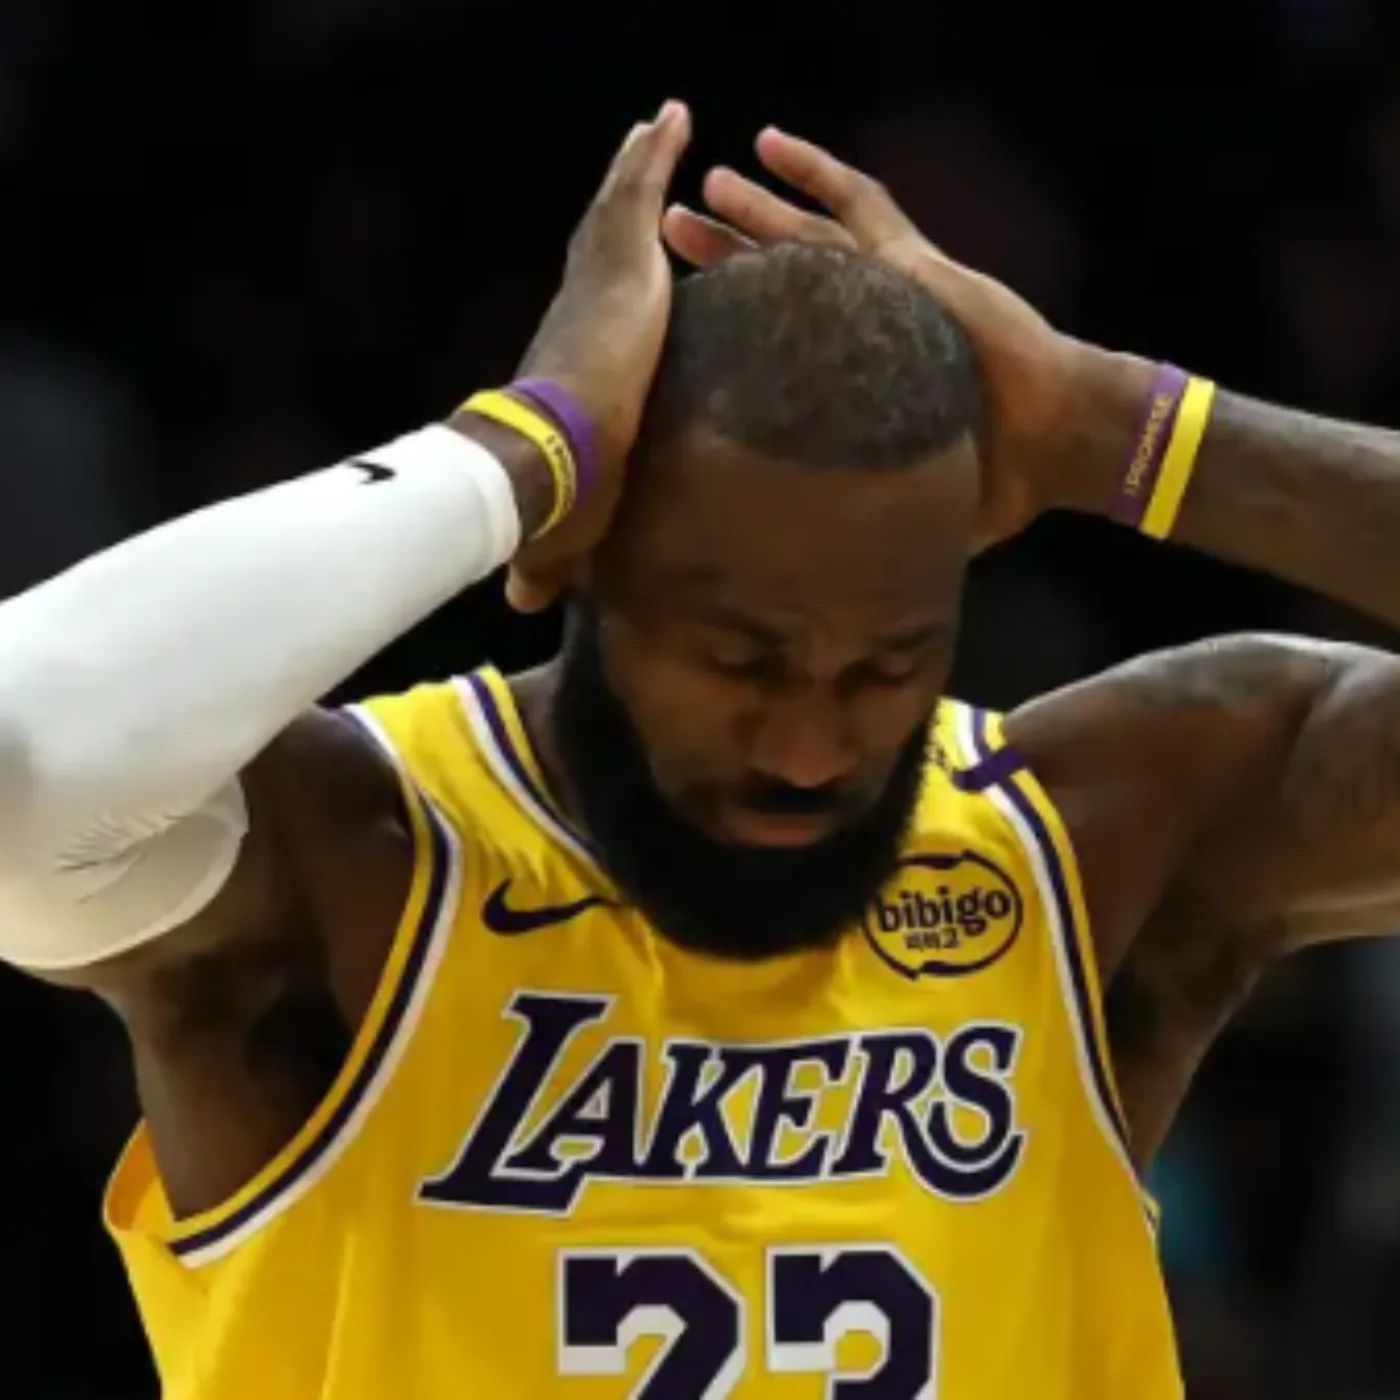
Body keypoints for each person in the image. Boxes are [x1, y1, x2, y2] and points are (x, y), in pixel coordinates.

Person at [3, 97, 1400, 1399]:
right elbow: (22, 761)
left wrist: (1121, 430)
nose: (810, 748)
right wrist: (518, 450)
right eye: (743, 660)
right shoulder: (359, 871)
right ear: (572, 559)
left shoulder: (1086, 853)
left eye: (889, 666)